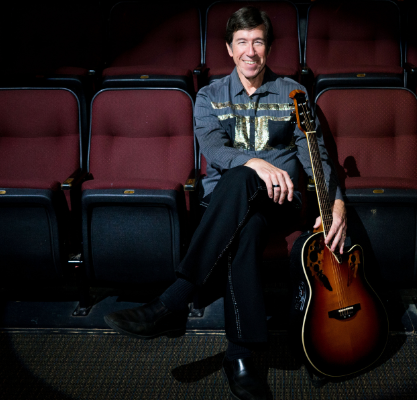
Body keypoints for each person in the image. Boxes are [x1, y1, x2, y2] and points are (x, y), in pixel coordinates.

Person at [104, 7, 346, 400]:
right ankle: (241, 357)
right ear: (229, 50)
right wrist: (254, 163)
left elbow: (316, 158)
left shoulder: (293, 95)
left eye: (258, 41)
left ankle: (174, 301)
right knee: (243, 216)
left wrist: (335, 203)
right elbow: (214, 149)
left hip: (279, 204)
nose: (250, 51)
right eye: (242, 42)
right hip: (225, 205)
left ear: (268, 48)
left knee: (246, 189)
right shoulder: (208, 97)